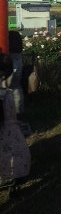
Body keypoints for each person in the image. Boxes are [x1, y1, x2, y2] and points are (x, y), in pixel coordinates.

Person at [0, 52, 31, 187]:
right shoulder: (7, 93)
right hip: (12, 130)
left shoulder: (3, 95)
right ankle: (14, 176)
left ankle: (7, 178)